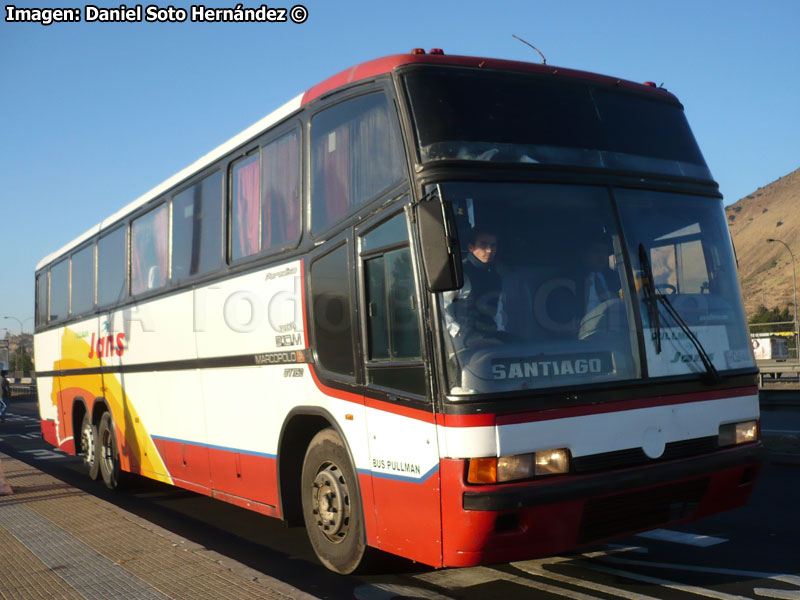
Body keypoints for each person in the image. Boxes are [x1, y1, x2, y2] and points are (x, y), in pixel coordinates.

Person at [443, 229, 505, 350]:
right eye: (483, 245)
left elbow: (498, 308)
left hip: (490, 335)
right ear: (471, 247)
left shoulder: (496, 276)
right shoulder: (459, 273)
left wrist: (500, 329)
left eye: (493, 245)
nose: (489, 250)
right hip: (466, 340)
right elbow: (442, 306)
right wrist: (457, 332)